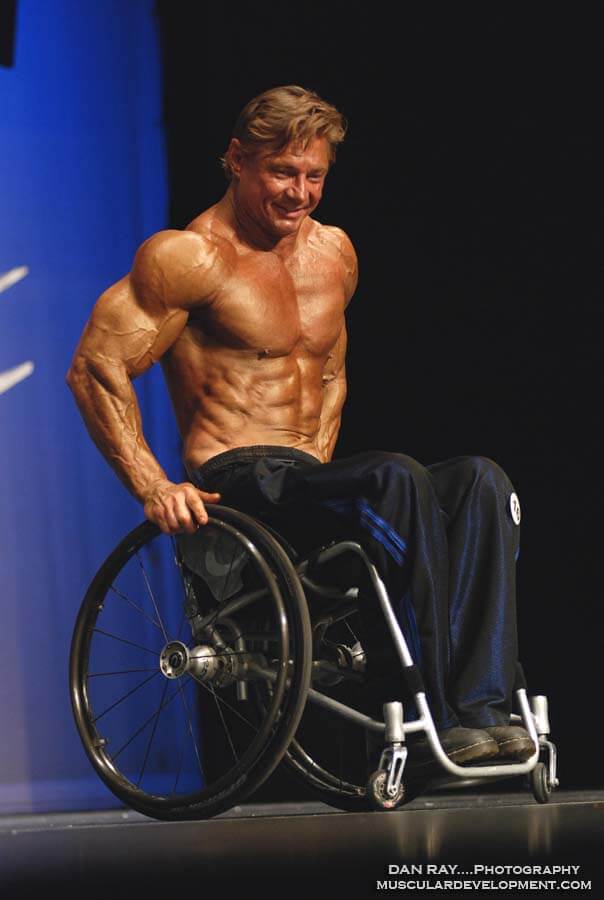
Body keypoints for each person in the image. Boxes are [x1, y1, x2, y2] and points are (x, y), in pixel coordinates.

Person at [67, 84, 533, 769]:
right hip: (237, 480)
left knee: (480, 482)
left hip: (308, 479)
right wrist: (153, 485)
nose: (300, 193)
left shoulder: (334, 254)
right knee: (395, 477)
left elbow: (331, 373)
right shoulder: (191, 258)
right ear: (236, 160)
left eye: (314, 176)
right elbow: (95, 368)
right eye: (283, 173)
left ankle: (484, 706)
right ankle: (431, 712)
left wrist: (318, 460)